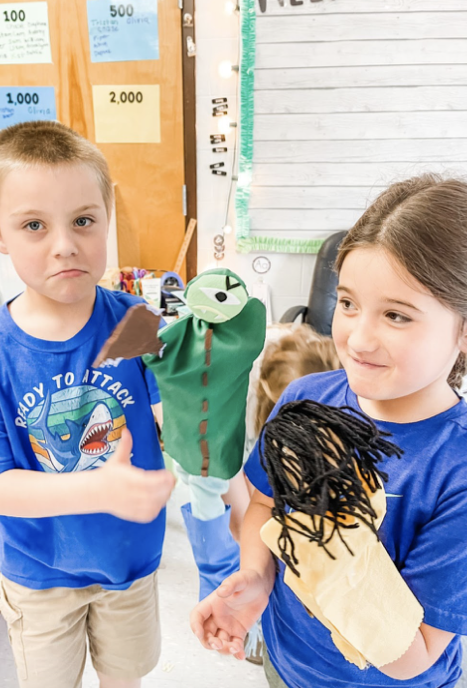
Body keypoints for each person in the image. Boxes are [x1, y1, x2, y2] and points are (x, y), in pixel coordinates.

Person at [190, 174, 467, 688]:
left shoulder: (457, 469)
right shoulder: (305, 399)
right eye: (348, 303)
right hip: (286, 662)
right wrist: (257, 575)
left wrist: (334, 552)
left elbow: (415, 655)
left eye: (396, 315)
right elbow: (265, 506)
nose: (358, 338)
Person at [0, 120, 175, 688]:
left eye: (83, 220)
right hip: (40, 573)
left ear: (107, 217)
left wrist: (208, 386)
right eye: (34, 225)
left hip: (129, 559)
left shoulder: (136, 321)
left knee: (126, 676)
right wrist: (99, 488)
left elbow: (175, 418)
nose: (65, 245)